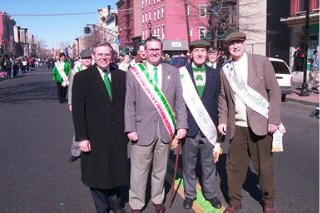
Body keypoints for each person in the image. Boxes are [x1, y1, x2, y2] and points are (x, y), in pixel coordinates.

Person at [218, 32, 281, 213]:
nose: (235, 47)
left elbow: (274, 91)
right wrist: (222, 120)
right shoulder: (225, 70)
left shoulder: (261, 62)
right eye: (231, 44)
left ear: (244, 44)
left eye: (238, 43)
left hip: (261, 124)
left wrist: (274, 120)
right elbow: (223, 97)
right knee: (234, 168)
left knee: (264, 167)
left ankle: (268, 201)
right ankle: (235, 201)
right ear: (228, 48)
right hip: (237, 127)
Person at [125, 36, 188, 213]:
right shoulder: (134, 72)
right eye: (150, 49)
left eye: (157, 49)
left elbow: (179, 102)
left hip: (165, 129)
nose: (154, 52)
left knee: (160, 169)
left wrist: (181, 125)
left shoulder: (172, 71)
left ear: (162, 51)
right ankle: (136, 203)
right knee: (139, 171)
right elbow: (129, 103)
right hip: (141, 129)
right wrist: (130, 128)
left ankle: (157, 198)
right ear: (144, 51)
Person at [72, 41, 128, 213]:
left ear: (112, 56)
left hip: (117, 134)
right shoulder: (82, 77)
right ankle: (102, 207)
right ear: (94, 56)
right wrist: (82, 138)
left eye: (107, 54)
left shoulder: (122, 76)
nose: (104, 57)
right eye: (100, 54)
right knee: (96, 173)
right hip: (94, 134)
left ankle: (115, 204)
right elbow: (78, 111)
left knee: (115, 171)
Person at [180, 40, 222, 210]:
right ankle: (190, 194)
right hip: (190, 128)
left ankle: (211, 194)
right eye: (196, 50)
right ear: (191, 53)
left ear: (207, 54)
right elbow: (178, 102)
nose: (199, 54)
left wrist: (220, 124)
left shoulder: (215, 73)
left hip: (209, 127)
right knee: (189, 165)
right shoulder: (182, 73)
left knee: (209, 165)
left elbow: (220, 100)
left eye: (202, 51)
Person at [68, 49, 92, 162]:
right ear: (81, 60)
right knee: (79, 127)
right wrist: (71, 103)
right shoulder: (75, 71)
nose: (87, 60)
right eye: (85, 58)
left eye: (89, 58)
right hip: (80, 103)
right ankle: (75, 151)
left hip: (93, 103)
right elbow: (71, 88)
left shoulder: (96, 69)